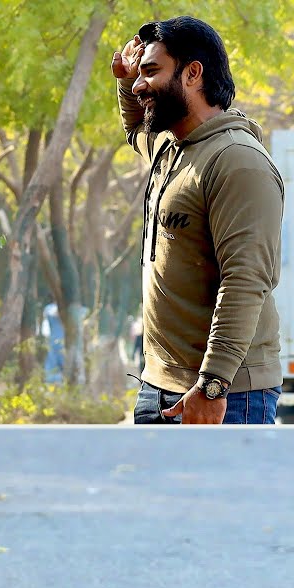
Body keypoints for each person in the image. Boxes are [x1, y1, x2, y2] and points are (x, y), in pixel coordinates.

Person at [113, 16, 284, 424]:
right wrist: (125, 81)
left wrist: (212, 385)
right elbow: (136, 126)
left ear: (193, 74)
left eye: (151, 72)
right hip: (158, 386)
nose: (140, 86)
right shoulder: (172, 147)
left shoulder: (238, 163)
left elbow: (245, 281)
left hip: (226, 396)